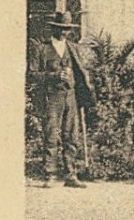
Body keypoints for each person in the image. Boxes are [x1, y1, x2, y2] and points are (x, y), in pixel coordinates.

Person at [27, 12, 96, 189]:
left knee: (71, 135)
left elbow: (82, 71)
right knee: (50, 135)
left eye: (67, 29)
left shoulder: (73, 48)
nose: (64, 32)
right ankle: (50, 174)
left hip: (71, 96)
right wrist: (55, 75)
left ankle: (70, 175)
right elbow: (32, 75)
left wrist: (84, 88)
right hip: (52, 97)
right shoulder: (42, 48)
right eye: (61, 29)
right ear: (54, 28)